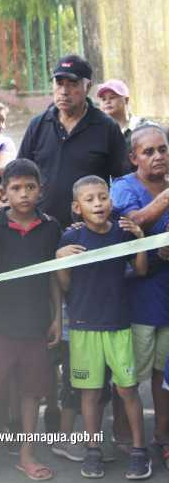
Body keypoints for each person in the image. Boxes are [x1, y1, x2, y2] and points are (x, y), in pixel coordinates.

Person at [0, 159, 62, 482]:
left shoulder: (51, 226)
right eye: (16, 188)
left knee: (31, 392)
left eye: (30, 187)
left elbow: (51, 276)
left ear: (40, 189)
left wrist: (57, 319)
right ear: (3, 192)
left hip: (36, 322)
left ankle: (27, 453)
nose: (24, 194)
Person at [55, 175, 151, 480]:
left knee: (127, 389)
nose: (98, 203)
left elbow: (140, 270)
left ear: (111, 199)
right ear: (76, 206)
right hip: (83, 325)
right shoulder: (71, 238)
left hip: (118, 324)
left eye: (103, 197)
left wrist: (140, 240)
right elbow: (65, 285)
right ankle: (93, 449)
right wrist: (60, 260)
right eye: (90, 199)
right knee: (90, 392)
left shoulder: (122, 233)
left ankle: (139, 450)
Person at [110, 123, 169, 461]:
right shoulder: (123, 189)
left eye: (162, 149)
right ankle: (123, 433)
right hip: (137, 300)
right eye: (149, 151)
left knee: (166, 374)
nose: (158, 156)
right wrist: (167, 198)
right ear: (134, 158)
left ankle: (162, 434)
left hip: (170, 298)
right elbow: (130, 224)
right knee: (128, 374)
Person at [18, 55, 127, 227]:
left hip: (90, 231)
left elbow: (124, 181)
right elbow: (21, 174)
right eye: (59, 83)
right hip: (42, 228)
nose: (64, 91)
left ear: (87, 86)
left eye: (72, 84)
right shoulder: (38, 125)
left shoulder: (106, 127)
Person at [97, 79, 147, 174]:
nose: (107, 101)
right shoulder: (98, 131)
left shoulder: (145, 127)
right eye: (103, 99)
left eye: (112, 97)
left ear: (126, 100)